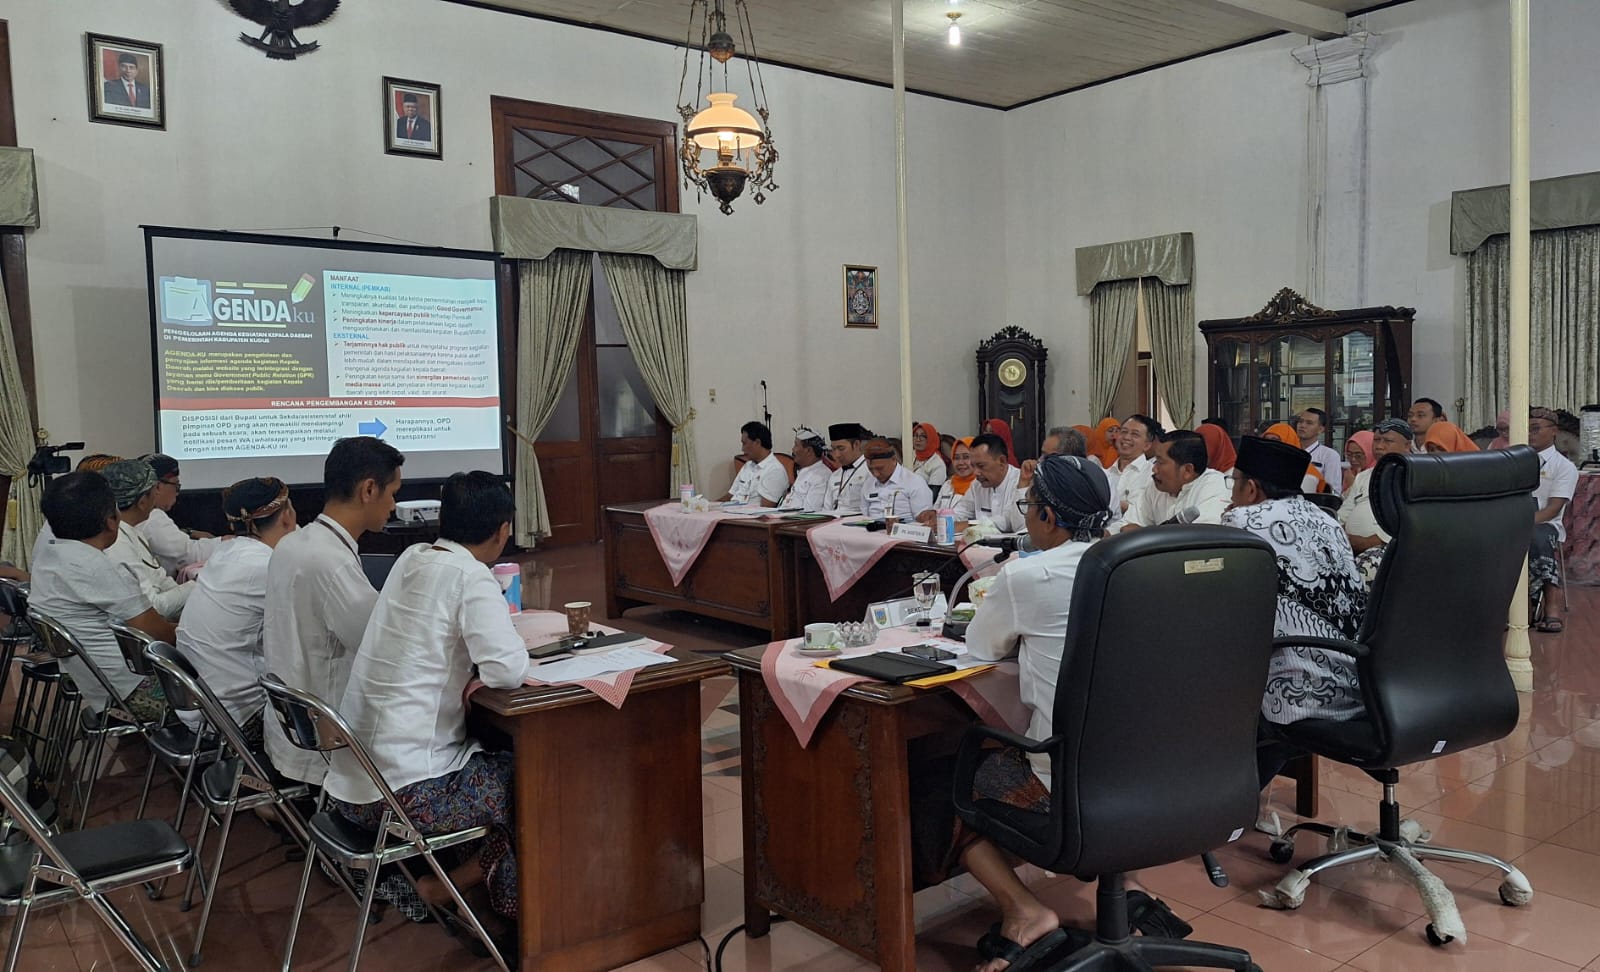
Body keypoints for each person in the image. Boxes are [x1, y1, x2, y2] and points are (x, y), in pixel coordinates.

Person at [915, 456, 1112, 972]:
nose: (1025, 516)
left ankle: (1024, 910)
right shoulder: (1134, 562)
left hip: (1066, 782)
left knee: (940, 783)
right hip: (1162, 773)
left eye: (1028, 507)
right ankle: (1127, 885)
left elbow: (981, 648)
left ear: (1046, 515)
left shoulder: (1030, 574)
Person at [325, 471, 527, 921]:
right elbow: (507, 670)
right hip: (403, 794)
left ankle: (458, 882)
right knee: (535, 778)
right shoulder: (471, 577)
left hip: (349, 782)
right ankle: (465, 893)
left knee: (490, 757)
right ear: (502, 531)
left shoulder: (412, 557)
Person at [1223, 437, 1368, 782]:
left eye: (1234, 483)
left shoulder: (1242, 521)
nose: (1232, 493)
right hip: (1362, 679)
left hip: (1300, 686)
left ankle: (1216, 806)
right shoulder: (1328, 519)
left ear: (1252, 489)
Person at [264, 436, 404, 787]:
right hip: (326, 740)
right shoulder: (330, 561)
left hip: (290, 730)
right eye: (392, 492)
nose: (393, 504)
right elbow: (380, 646)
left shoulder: (294, 543)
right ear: (369, 489)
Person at [29, 472, 177, 723]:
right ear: (112, 520)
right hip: (130, 691)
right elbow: (159, 636)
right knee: (233, 681)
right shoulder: (99, 568)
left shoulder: (50, 557)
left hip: (95, 684)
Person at [175, 478, 297, 762]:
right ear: (288, 516)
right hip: (236, 717)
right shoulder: (266, 565)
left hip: (202, 705)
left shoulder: (225, 554)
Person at [102, 459, 194, 620]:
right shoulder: (116, 543)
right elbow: (154, 607)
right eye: (154, 491)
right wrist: (198, 586)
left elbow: (161, 580)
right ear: (143, 502)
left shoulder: (131, 530)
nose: (157, 495)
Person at [1337, 420, 1410, 584]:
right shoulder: (1364, 476)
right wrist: (1343, 536)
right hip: (1348, 546)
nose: (1379, 446)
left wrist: (1368, 542)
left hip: (1389, 549)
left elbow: (1407, 521)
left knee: (1363, 572)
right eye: (1377, 440)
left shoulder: (1414, 475)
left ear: (1407, 445)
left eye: (1387, 441)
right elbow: (1343, 514)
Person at [1119, 430, 1230, 531]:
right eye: (1155, 462)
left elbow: (1199, 539)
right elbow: (1128, 524)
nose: (1154, 469)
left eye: (1160, 462)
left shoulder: (1214, 487)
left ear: (1187, 470)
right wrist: (1107, 534)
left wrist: (1144, 534)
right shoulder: (1158, 486)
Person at [1530, 407, 1578, 633]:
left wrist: (1521, 524)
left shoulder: (1564, 467)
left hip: (1544, 524)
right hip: (1511, 521)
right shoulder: (1513, 461)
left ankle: (1552, 606)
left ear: (1554, 432)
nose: (1530, 433)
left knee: (1538, 539)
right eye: (1527, 428)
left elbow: (1553, 509)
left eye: (1536, 428)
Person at [921, 433, 1023, 533]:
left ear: (1002, 461)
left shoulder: (1021, 482)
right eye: (973, 466)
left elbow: (1009, 521)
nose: (976, 473)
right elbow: (962, 511)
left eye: (981, 466)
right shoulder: (977, 484)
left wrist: (968, 525)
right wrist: (941, 520)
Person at [139, 454, 223, 576]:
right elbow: (190, 555)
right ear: (157, 486)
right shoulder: (152, 518)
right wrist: (226, 543)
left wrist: (190, 532)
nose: (177, 493)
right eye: (176, 486)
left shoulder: (136, 515)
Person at [860, 438, 934, 520]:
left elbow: (924, 520)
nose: (875, 474)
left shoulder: (914, 482)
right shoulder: (868, 483)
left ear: (894, 460)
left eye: (880, 468)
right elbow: (864, 516)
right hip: (871, 529)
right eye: (870, 469)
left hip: (904, 530)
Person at [1106, 414, 1160, 520]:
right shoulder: (1105, 474)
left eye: (1135, 434)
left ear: (1147, 445)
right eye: (1124, 432)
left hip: (1134, 534)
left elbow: (1152, 513)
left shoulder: (1153, 474)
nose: (1126, 437)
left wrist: (1118, 505)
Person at [723, 421, 788, 508]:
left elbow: (765, 509)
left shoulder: (775, 470)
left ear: (757, 442)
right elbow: (730, 496)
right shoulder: (748, 465)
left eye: (744, 443)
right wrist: (709, 506)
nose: (742, 449)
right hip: (730, 512)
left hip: (747, 518)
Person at [1262, 422, 1331, 493]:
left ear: (1289, 442)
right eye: (1266, 440)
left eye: (1275, 440)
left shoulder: (1306, 473)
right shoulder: (1262, 467)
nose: (1269, 444)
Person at [780, 426, 832, 511]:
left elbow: (810, 512)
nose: (793, 449)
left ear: (808, 450)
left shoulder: (821, 476)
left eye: (796, 445)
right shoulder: (804, 471)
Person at [822, 422, 871, 512]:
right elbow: (827, 508)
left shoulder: (870, 470)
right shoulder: (835, 475)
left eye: (841, 449)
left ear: (856, 444)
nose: (836, 455)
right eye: (833, 449)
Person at [1295, 408, 1343, 496]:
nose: (1302, 425)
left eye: (1309, 423)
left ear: (1320, 429)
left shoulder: (1330, 455)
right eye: (1300, 421)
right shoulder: (1291, 451)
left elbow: (1333, 492)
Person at [933, 437, 977, 509]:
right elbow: (935, 511)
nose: (961, 462)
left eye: (966, 457)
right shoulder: (947, 485)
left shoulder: (980, 487)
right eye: (956, 458)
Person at [909, 422, 949, 487]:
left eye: (923, 436)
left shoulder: (938, 465)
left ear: (931, 438)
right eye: (915, 435)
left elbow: (933, 494)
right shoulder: (910, 454)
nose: (918, 439)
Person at [1341, 430, 1374, 495]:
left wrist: (1354, 485)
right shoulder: (1350, 474)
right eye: (1349, 454)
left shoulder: (1377, 476)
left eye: (1358, 456)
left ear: (1370, 454)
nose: (1353, 459)